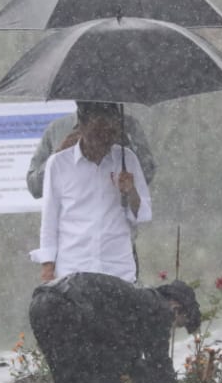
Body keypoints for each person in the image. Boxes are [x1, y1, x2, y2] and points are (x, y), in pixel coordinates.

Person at [28, 272, 200, 383]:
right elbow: (159, 363)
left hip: (41, 304)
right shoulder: (159, 309)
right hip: (67, 307)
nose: (171, 329)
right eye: (178, 324)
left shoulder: (136, 302)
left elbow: (125, 354)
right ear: (175, 308)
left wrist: (142, 377)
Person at [31, 100, 151, 283]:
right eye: (97, 132)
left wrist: (130, 191)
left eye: (110, 133)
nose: (103, 140)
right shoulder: (58, 164)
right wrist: (48, 269)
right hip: (73, 270)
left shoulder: (127, 159)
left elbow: (141, 214)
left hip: (118, 269)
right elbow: (49, 220)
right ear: (82, 126)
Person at [26, 106, 156, 198]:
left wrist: (126, 145)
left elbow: (147, 174)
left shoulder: (128, 125)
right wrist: (58, 154)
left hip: (118, 230)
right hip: (71, 233)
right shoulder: (57, 130)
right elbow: (35, 188)